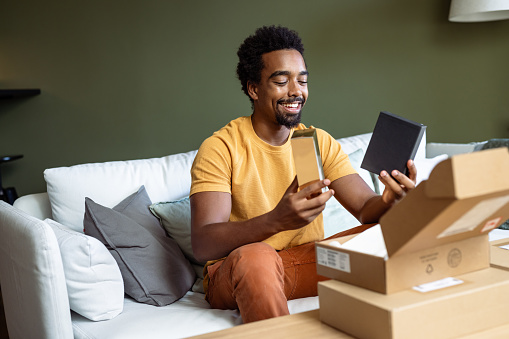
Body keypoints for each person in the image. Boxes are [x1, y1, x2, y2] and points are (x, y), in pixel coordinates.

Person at [189, 25, 416, 323]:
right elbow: (204, 243)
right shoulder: (222, 147)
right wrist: (275, 221)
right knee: (256, 256)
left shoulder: (315, 141)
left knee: (396, 233)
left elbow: (365, 209)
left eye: (302, 80)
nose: (296, 91)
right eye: (282, 81)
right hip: (238, 271)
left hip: (304, 262)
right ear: (254, 88)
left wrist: (389, 201)